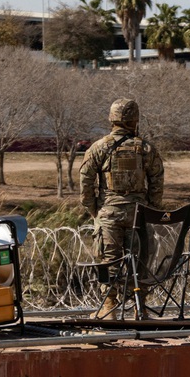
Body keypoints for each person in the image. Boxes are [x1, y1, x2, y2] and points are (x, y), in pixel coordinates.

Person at [79, 98, 165, 318]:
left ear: (112, 119)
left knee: (109, 261)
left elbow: (86, 180)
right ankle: (140, 307)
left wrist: (93, 209)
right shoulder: (145, 148)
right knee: (140, 262)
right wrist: (152, 208)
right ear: (135, 120)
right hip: (139, 213)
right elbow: (157, 179)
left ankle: (109, 308)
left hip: (110, 213)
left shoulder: (99, 147)